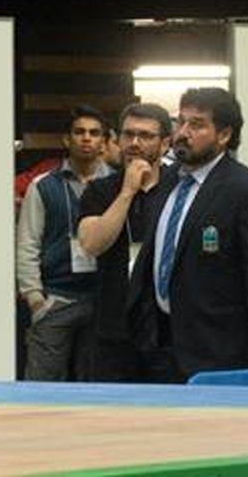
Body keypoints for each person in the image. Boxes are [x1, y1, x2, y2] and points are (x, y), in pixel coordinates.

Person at [126, 87, 248, 383]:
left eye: (197, 124)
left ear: (224, 135)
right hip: (158, 344)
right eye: (181, 121)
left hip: (217, 348)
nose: (183, 133)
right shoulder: (165, 182)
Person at [15, 105, 114, 381]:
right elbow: (28, 243)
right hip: (56, 298)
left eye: (94, 133)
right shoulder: (43, 185)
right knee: (41, 388)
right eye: (79, 132)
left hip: (103, 302)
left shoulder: (119, 185)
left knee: (98, 389)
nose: (86, 138)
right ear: (66, 140)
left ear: (104, 142)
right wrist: (35, 299)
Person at [76, 104, 173, 381]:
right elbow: (92, 244)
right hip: (114, 327)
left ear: (165, 143)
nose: (135, 143)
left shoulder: (179, 187)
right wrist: (128, 191)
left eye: (145, 136)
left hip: (167, 327)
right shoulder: (101, 190)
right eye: (128, 134)